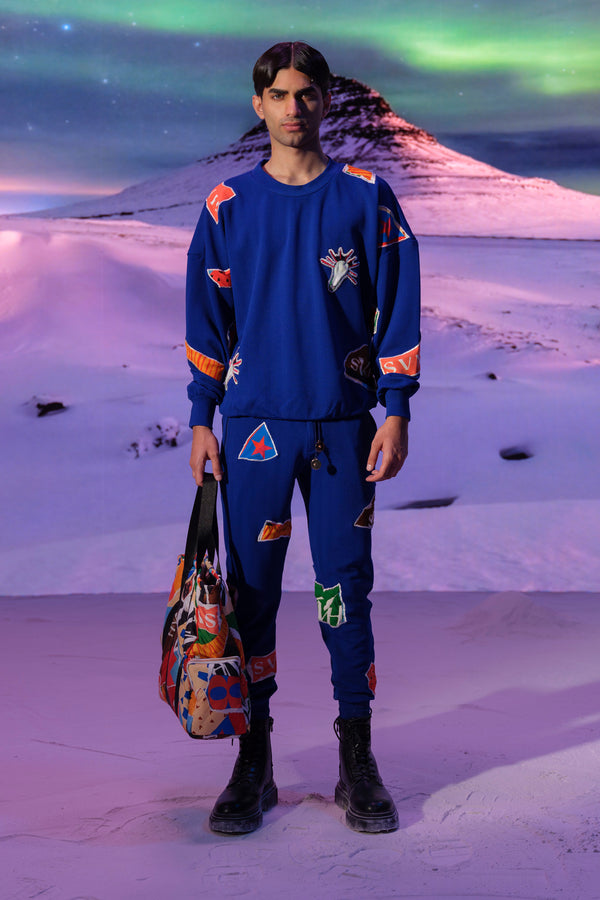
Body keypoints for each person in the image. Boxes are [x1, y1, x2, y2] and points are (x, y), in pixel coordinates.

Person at [186, 41, 420, 835]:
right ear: (258, 104)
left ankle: (357, 756)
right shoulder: (227, 204)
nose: (294, 107)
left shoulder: (365, 195)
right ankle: (252, 763)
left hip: (342, 427)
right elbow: (208, 317)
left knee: (344, 590)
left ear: (326, 101)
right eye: (279, 94)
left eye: (307, 93)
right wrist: (201, 417)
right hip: (252, 427)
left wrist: (397, 408)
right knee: (251, 595)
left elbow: (398, 301)